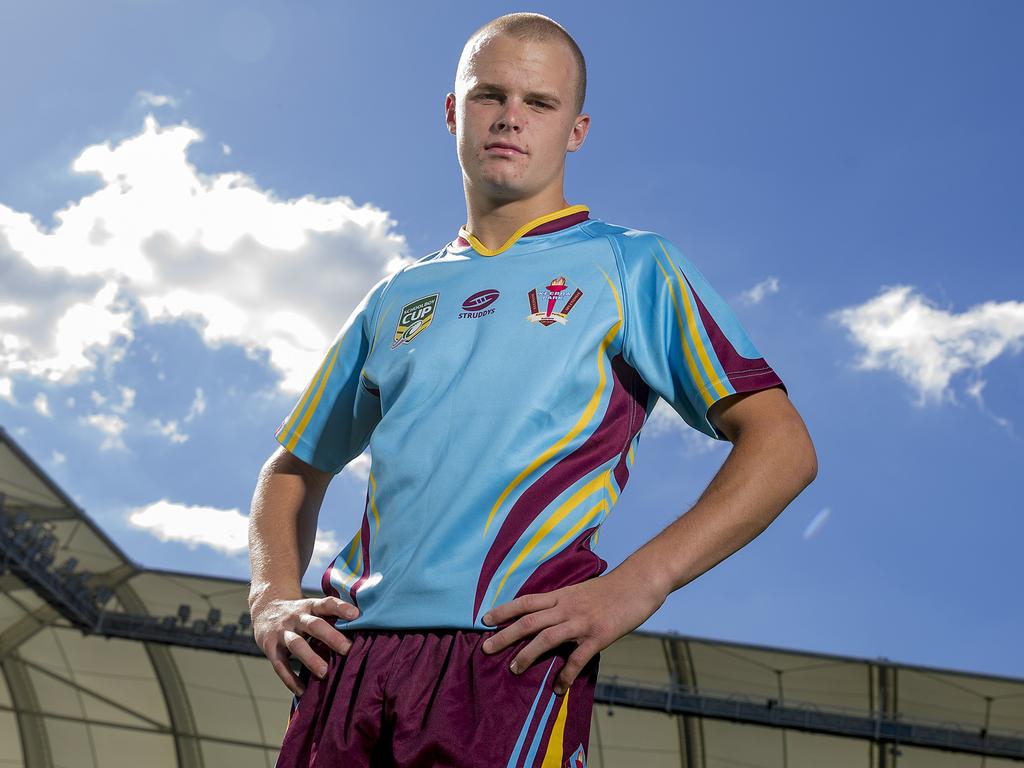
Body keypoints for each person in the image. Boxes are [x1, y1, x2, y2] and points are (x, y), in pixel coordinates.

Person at [248, 11, 817, 767]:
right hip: (346, 659)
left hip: (506, 654)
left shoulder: (630, 265)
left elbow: (783, 446)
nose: (511, 117)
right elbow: (291, 469)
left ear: (575, 130)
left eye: (540, 103)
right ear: (453, 112)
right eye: (490, 95)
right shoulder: (396, 296)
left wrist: (637, 585)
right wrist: (270, 597)